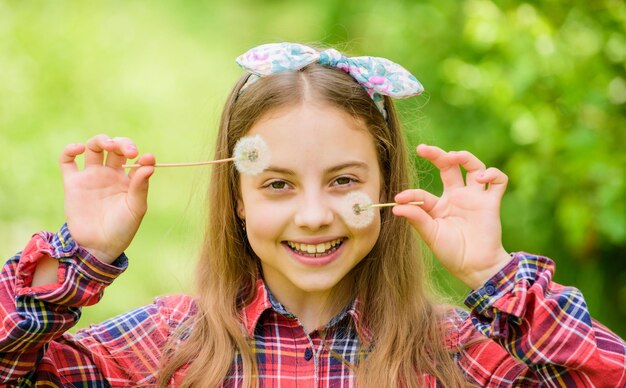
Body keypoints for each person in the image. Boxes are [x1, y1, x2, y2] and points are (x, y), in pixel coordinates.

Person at [1, 42, 624, 387]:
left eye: (345, 182)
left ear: (388, 185)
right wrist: (81, 255)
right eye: (277, 184)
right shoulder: (167, 347)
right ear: (237, 198)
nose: (315, 214)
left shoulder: (454, 353)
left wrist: (493, 272)